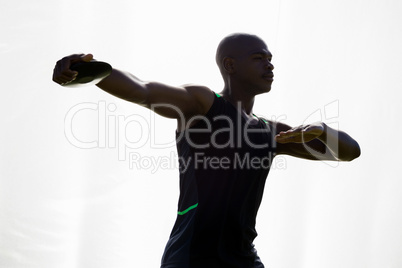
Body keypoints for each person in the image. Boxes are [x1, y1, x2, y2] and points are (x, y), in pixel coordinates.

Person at [52, 33, 360, 268]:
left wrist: (323, 128)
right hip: (192, 255)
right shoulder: (203, 103)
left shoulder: (273, 132)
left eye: (270, 57)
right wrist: (90, 70)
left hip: (243, 258)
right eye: (258, 57)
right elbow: (143, 90)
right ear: (230, 65)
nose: (270, 64)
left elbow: (348, 152)